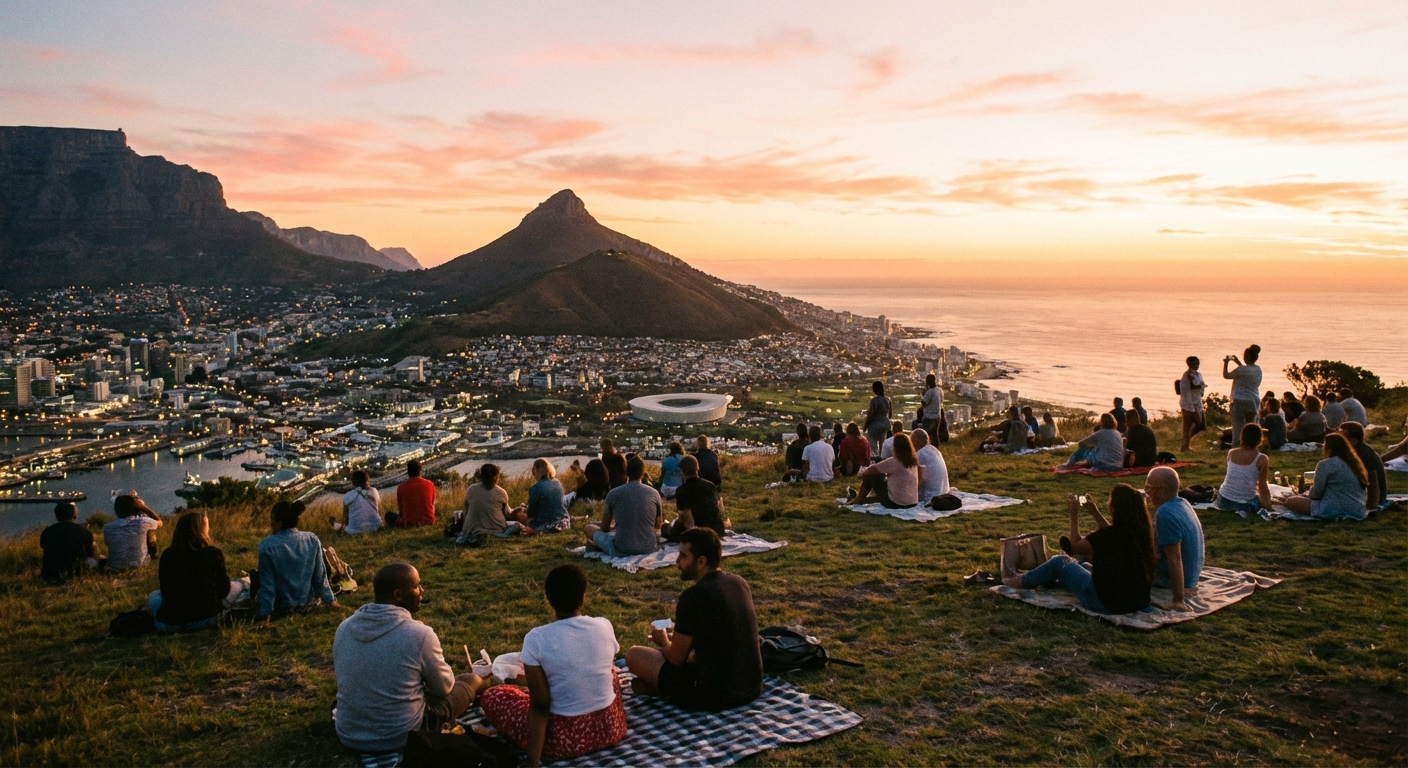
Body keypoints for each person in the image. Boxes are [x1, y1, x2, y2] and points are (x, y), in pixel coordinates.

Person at [334, 563, 491, 757]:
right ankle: (493, 694)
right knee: (471, 680)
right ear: (398, 595)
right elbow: (444, 688)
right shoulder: (419, 634)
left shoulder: (344, 627)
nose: (421, 590)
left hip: (349, 736)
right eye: (417, 586)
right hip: (401, 738)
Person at [480, 565, 626, 765]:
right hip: (610, 728)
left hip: (565, 741)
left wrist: (533, 762)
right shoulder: (603, 625)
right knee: (610, 671)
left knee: (492, 696)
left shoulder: (536, 639)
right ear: (583, 597)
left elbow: (540, 705)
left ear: (549, 600)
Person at [625, 528, 763, 711]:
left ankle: (658, 688)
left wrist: (664, 640)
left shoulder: (693, 597)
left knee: (634, 655)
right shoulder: (739, 582)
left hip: (713, 695)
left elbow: (676, 659)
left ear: (701, 561)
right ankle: (654, 687)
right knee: (648, 676)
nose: (677, 562)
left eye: (683, 556)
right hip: (752, 687)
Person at [1002, 485, 1155, 615]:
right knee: (1080, 565)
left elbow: (1075, 546)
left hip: (1105, 604)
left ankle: (1021, 581)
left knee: (1059, 561)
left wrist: (1073, 514)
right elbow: (1111, 533)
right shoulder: (1141, 534)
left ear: (1115, 508)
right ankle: (1044, 578)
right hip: (1138, 602)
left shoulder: (1108, 536)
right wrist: (1095, 513)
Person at [148, 510, 246, 632]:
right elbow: (223, 592)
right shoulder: (213, 553)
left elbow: (164, 590)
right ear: (201, 530)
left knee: (153, 596)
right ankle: (246, 584)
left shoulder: (168, 555)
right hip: (207, 618)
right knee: (240, 584)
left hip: (168, 624)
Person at [255, 500, 338, 627]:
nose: (271, 523)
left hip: (281, 605)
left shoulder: (266, 546)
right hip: (307, 601)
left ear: (280, 522)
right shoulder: (311, 539)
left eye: (272, 519)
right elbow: (320, 577)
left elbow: (268, 587)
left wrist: (264, 615)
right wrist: (330, 600)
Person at [1145, 467, 1203, 611]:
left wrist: (1178, 599)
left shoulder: (1165, 514)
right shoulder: (1182, 503)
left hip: (1169, 581)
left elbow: (1174, 558)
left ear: (1160, 489)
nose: (1147, 492)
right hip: (1191, 576)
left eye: (1148, 487)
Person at [585, 454, 661, 556]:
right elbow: (658, 525)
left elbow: (604, 528)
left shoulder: (613, 493)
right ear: (643, 472)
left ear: (626, 471)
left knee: (588, 527)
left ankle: (599, 545)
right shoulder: (654, 493)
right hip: (648, 548)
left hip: (621, 549)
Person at [1279, 434, 1369, 520]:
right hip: (1358, 509)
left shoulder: (1325, 464)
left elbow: (1316, 494)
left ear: (1329, 449)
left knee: (1291, 501)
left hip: (1334, 508)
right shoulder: (1356, 464)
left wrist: (1302, 496)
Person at [846, 433, 922, 509]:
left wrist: (861, 475)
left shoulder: (895, 461)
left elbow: (870, 470)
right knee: (880, 476)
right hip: (912, 502)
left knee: (872, 476)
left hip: (896, 503)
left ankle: (858, 499)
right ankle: (862, 499)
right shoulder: (913, 461)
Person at [1212, 424, 1273, 517]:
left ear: (1242, 437)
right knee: (1262, 500)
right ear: (1260, 439)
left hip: (1223, 500)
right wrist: (1268, 505)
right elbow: (1263, 487)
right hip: (1244, 504)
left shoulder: (1231, 452)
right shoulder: (1262, 458)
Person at [457, 464, 525, 544]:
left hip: (471, 531)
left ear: (481, 476)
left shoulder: (471, 489)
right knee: (517, 525)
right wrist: (519, 509)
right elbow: (507, 515)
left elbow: (466, 511)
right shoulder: (501, 492)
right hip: (496, 530)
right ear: (497, 477)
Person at [668, 455, 725, 539]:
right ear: (697, 469)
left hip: (700, 533)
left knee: (667, 529)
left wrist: (675, 526)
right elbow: (719, 508)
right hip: (718, 530)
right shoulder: (710, 485)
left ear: (682, 472)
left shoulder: (682, 490)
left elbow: (687, 520)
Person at [41, 501, 97, 584]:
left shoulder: (47, 532)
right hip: (76, 573)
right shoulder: (83, 531)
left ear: (57, 516)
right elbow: (91, 553)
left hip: (50, 574)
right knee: (97, 559)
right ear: (74, 515)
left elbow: (44, 547)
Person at [104, 492, 162, 570]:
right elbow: (160, 522)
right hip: (141, 564)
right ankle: (153, 556)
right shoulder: (142, 522)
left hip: (115, 566)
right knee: (151, 535)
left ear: (116, 510)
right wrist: (143, 507)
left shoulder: (107, 528)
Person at [1223, 344, 1263, 444]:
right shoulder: (1258, 369)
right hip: (1253, 401)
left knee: (1238, 429)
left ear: (1247, 356)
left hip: (1239, 400)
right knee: (1251, 427)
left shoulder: (1241, 370)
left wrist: (1226, 363)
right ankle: (1252, 446)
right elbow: (1245, 371)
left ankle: (1236, 448)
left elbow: (1226, 375)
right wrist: (1238, 363)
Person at [1339, 422, 1384, 511]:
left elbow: (1372, 480)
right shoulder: (1355, 450)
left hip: (1374, 497)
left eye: (1342, 438)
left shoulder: (1362, 454)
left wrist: (1371, 505)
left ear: (1354, 441)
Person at [518, 459, 569, 534]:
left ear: (535, 470)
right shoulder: (558, 482)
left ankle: (536, 532)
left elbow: (530, 513)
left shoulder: (534, 488)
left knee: (519, 515)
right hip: (564, 523)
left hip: (547, 525)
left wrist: (525, 509)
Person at [392, 460, 436, 528]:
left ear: (408, 471)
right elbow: (432, 504)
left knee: (389, 516)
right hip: (428, 521)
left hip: (409, 523)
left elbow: (401, 509)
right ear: (420, 470)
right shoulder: (430, 484)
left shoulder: (401, 487)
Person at [911, 428, 950, 501]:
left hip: (932, 495)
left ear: (915, 442)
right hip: (944, 491)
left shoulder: (920, 454)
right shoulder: (934, 450)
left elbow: (912, 476)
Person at [1179, 356, 1208, 452]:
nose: (1197, 365)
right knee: (1188, 425)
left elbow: (1200, 385)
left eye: (1198, 363)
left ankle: (1185, 443)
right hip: (1188, 403)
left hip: (1196, 402)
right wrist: (1201, 386)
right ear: (1190, 364)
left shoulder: (1198, 374)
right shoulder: (1188, 374)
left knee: (1200, 424)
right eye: (1195, 363)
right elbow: (1193, 385)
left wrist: (1202, 387)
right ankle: (1184, 446)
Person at [864, 381, 892, 461]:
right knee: (882, 446)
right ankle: (883, 461)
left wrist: (865, 426)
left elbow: (870, 415)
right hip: (885, 425)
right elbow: (890, 415)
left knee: (872, 445)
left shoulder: (874, 401)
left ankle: (875, 461)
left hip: (875, 426)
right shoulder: (887, 400)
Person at [920, 373, 943, 444]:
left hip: (929, 417)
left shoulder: (929, 392)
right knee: (935, 434)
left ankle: (926, 448)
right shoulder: (940, 390)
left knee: (926, 435)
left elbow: (924, 403)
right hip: (938, 415)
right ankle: (936, 448)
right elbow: (941, 401)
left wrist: (923, 394)